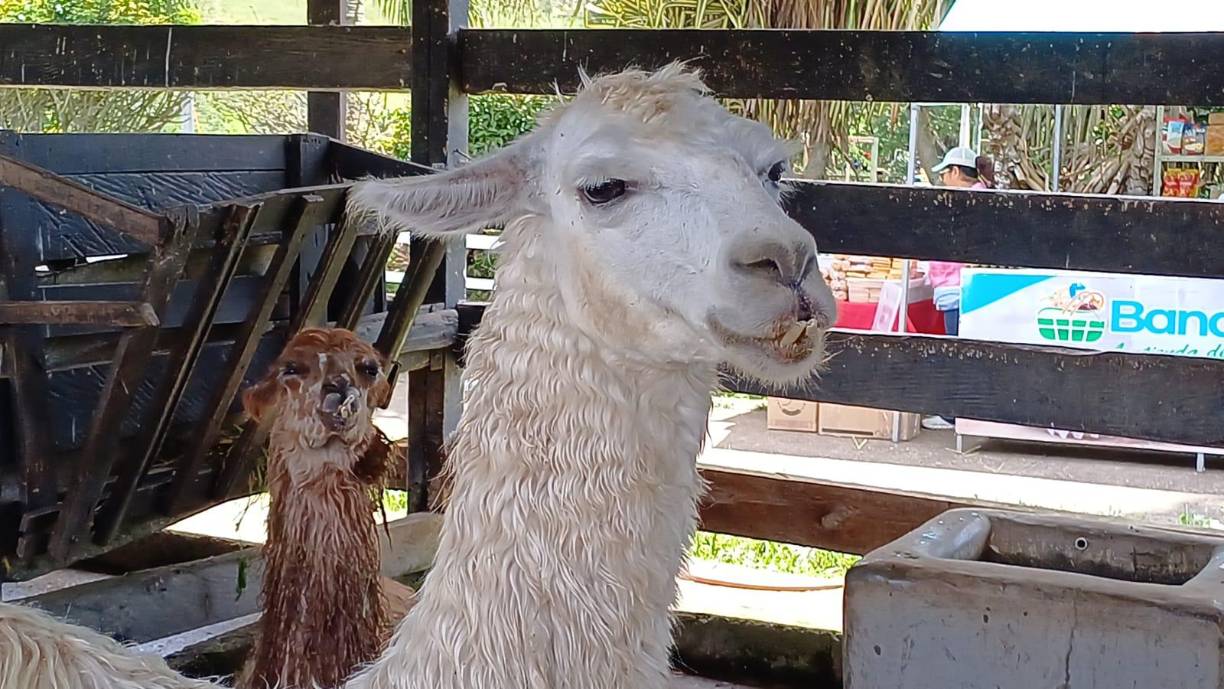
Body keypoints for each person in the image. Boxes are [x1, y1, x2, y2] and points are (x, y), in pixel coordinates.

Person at [921, 147, 995, 432]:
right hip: (973, 287)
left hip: (958, 287)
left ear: (954, 172)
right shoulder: (984, 196)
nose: (943, 181)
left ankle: (954, 414)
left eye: (945, 174)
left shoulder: (964, 201)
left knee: (956, 349)